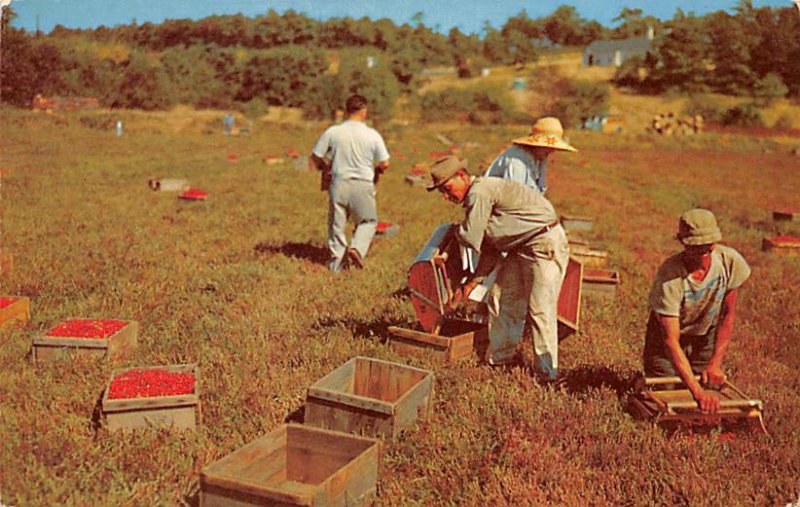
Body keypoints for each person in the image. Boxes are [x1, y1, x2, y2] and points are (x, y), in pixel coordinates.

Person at [428, 156, 569, 381]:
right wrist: (475, 280)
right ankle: (500, 360)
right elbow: (491, 245)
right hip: (521, 246)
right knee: (501, 298)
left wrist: (454, 233)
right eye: (442, 193)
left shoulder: (479, 192)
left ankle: (547, 375)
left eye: (447, 188)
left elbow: (471, 236)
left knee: (540, 309)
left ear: (462, 176)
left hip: (544, 244)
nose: (446, 197)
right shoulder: (479, 195)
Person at [643, 209, 751, 413]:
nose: (702, 252)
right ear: (684, 243)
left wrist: (715, 364)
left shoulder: (730, 262)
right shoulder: (670, 275)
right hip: (666, 338)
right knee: (667, 395)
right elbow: (670, 341)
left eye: (707, 246)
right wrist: (697, 392)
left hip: (704, 332)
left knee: (709, 390)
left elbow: (727, 316)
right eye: (696, 247)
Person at [310, 94, 390, 272]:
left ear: (347, 111)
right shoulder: (372, 135)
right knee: (367, 221)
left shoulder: (333, 132)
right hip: (363, 183)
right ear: (364, 112)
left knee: (337, 226)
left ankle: (336, 266)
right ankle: (357, 248)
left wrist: (325, 166)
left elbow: (316, 156)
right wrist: (378, 169)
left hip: (338, 183)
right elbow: (385, 162)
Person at [483, 117, 577, 194]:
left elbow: (540, 190)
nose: (551, 151)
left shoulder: (540, 159)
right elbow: (513, 195)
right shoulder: (517, 159)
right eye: (547, 147)